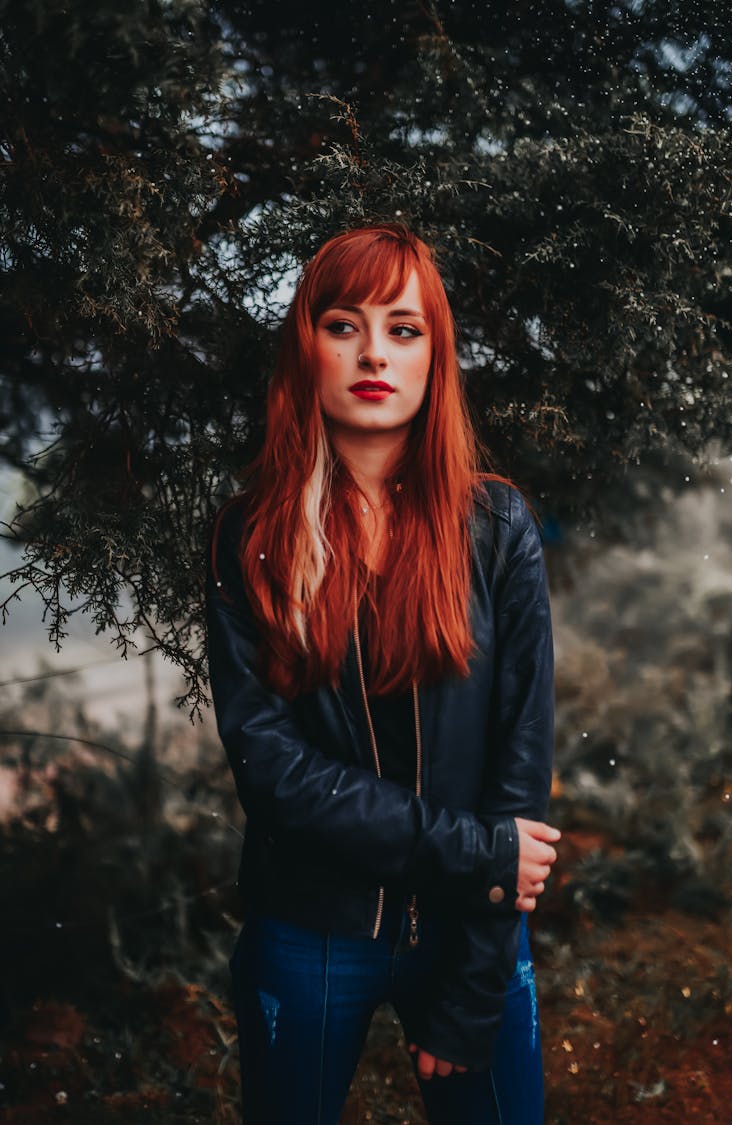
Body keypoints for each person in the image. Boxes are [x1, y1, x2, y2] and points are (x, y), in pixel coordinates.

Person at [205, 222, 559, 1125]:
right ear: (307, 347)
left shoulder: (496, 525)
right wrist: (481, 855)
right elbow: (272, 771)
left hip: (469, 930)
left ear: (435, 357)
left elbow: (520, 760)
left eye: (404, 329)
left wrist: (479, 980)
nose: (373, 353)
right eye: (343, 325)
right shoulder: (251, 536)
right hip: (310, 931)